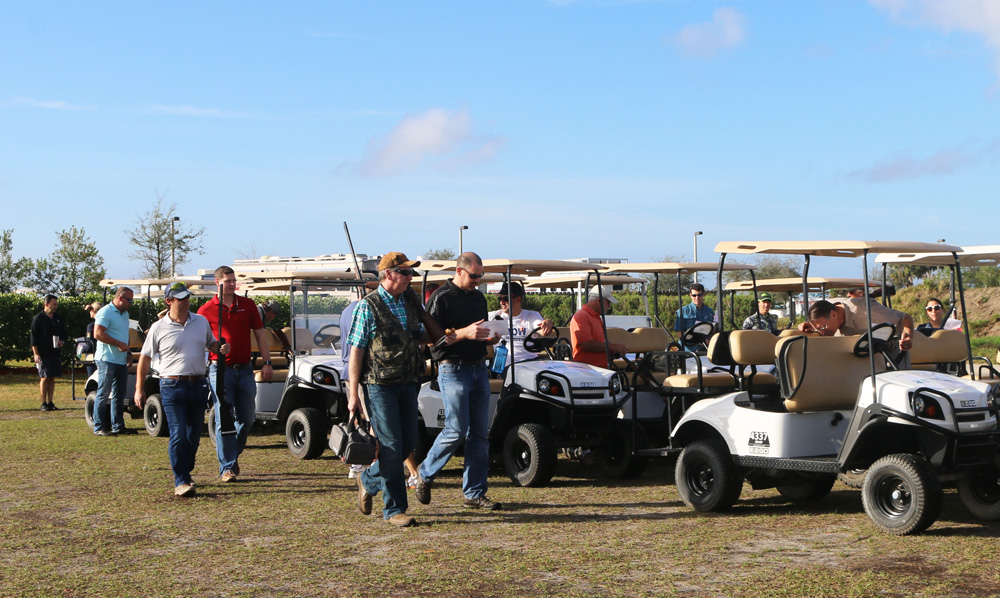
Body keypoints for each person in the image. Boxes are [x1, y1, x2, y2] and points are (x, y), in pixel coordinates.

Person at [347, 252, 438, 527]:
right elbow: (356, 352)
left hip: (408, 383)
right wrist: (353, 395)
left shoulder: (408, 303)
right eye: (406, 272)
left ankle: (368, 479)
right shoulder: (368, 306)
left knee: (408, 443)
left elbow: (420, 335)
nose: (411, 278)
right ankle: (395, 509)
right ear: (388, 274)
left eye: (411, 273)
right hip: (378, 386)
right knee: (391, 445)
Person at [414, 252, 502, 512]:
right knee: (455, 429)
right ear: (459, 271)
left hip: (478, 367)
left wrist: (490, 338)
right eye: (474, 275)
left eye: (481, 276)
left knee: (479, 434)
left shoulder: (477, 297)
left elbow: (477, 332)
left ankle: (474, 493)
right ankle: (425, 473)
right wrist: (465, 334)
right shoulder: (441, 298)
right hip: (453, 368)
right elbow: (432, 341)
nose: (478, 280)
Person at [134, 282, 229, 497]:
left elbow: (211, 344)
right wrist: (139, 388)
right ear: (169, 301)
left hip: (197, 384)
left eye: (187, 297)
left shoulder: (201, 322)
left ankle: (185, 469)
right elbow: (145, 358)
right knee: (177, 433)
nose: (186, 301)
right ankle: (182, 480)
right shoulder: (159, 328)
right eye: (181, 298)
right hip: (171, 386)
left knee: (193, 435)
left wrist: (219, 348)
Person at [198, 266, 274, 483]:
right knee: (223, 417)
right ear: (217, 283)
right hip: (220, 370)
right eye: (228, 281)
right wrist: (215, 349)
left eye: (233, 281)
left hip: (245, 369)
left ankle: (232, 454)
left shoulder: (248, 305)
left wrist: (267, 362)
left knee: (248, 418)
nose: (232, 284)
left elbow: (260, 335)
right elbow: (202, 341)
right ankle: (227, 467)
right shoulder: (205, 311)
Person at [91, 287, 136, 436]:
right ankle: (99, 427)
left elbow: (125, 334)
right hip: (106, 359)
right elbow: (97, 333)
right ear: (121, 298)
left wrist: (128, 351)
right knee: (103, 393)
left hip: (120, 360)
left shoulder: (125, 314)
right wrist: (118, 344)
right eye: (129, 300)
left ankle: (118, 426)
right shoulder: (105, 312)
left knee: (119, 394)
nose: (131, 303)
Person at [799, 298, 914, 353]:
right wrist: (812, 329)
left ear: (833, 314)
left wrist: (908, 336)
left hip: (892, 356)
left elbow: (905, 318)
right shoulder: (829, 318)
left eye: (822, 328)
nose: (822, 333)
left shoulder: (867, 310)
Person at [488, 282, 554, 364]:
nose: (501, 302)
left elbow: (543, 330)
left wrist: (547, 323)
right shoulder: (493, 316)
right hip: (507, 364)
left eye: (505, 299)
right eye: (500, 299)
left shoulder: (532, 315)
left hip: (531, 362)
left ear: (518, 299)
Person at [570, 286, 628, 368]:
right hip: (588, 370)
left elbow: (599, 341)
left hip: (599, 369)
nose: (609, 306)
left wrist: (612, 349)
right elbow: (585, 344)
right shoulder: (581, 316)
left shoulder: (596, 317)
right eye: (608, 302)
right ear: (599, 301)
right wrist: (612, 347)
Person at [30, 294, 66, 412]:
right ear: (46, 304)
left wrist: (62, 342)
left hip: (55, 352)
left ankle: (51, 401)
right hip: (43, 353)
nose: (56, 306)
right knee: (44, 377)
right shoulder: (38, 319)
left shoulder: (58, 318)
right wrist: (36, 353)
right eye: (53, 304)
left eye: (56, 304)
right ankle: (43, 402)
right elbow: (33, 338)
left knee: (52, 377)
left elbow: (64, 334)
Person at [674, 283, 715, 352]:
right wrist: (696, 340)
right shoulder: (682, 311)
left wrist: (710, 340)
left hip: (706, 349)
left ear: (703, 294)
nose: (697, 298)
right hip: (688, 351)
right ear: (690, 295)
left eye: (699, 295)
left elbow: (714, 329)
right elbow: (680, 333)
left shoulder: (710, 311)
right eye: (694, 295)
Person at [84, 301, 102, 376]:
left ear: (93, 310)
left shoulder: (91, 326)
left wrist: (82, 350)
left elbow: (90, 344)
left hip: (93, 355)